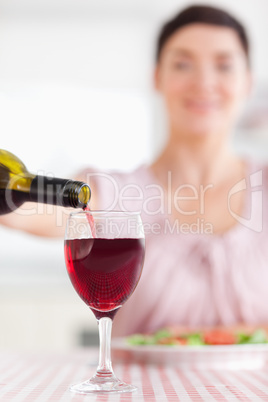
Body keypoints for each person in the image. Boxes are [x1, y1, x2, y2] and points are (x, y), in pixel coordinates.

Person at [1, 5, 268, 336]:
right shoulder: (115, 193)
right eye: (183, 64)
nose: (204, 81)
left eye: (224, 66)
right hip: (145, 389)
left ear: (247, 83)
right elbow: (27, 211)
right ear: (157, 77)